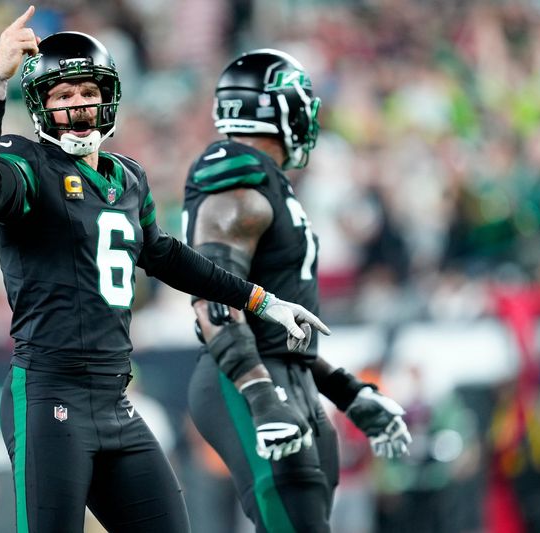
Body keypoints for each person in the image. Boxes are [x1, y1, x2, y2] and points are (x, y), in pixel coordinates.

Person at [0, 7, 330, 533]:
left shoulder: (127, 177)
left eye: (88, 91)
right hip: (48, 394)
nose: (80, 105)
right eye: (63, 95)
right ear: (40, 104)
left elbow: (167, 256)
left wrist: (260, 299)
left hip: (114, 399)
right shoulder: (26, 162)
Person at [184, 48, 413, 532]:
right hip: (249, 380)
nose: (309, 113)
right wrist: (262, 397)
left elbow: (287, 333)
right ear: (274, 108)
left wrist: (351, 393)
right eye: (301, 101)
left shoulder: (270, 187)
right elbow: (214, 299)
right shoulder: (236, 187)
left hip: (287, 377)